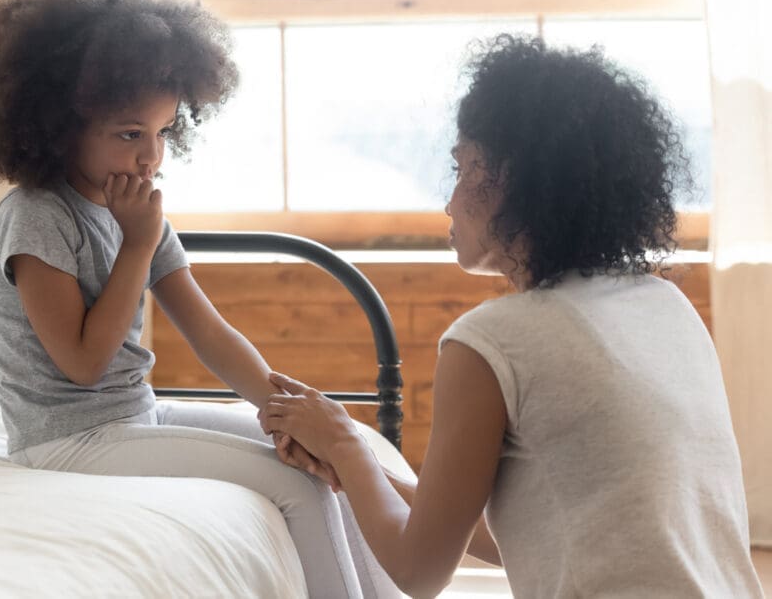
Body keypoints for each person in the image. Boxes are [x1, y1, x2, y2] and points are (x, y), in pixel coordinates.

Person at [260, 34, 765, 598]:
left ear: (518, 182)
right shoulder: (663, 303)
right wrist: (354, 469)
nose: (449, 201)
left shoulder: (491, 341)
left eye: (462, 167)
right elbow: (546, 528)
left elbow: (419, 572)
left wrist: (347, 444)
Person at [0, 0, 398, 599]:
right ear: (59, 128)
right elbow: (84, 363)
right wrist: (135, 246)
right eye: (130, 134)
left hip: (133, 416)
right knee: (294, 483)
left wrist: (281, 408)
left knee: (336, 450)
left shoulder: (135, 208)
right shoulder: (37, 217)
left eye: (164, 132)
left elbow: (209, 331)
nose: (151, 155)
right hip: (63, 442)